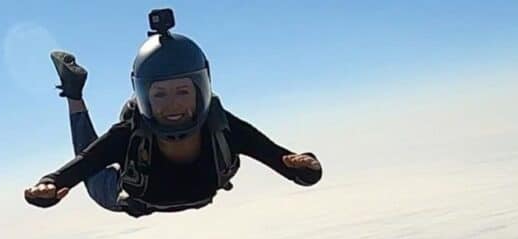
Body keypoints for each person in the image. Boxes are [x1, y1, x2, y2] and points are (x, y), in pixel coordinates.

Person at [24, 9, 323, 218]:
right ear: (143, 98)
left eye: (182, 92)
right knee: (95, 179)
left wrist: (305, 165)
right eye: (159, 94)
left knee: (94, 172)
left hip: (153, 197)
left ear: (201, 90)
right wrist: (51, 183)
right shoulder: (130, 133)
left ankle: (75, 94)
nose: (172, 105)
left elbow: (283, 162)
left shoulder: (223, 127)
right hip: (135, 200)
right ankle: (74, 96)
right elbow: (85, 163)